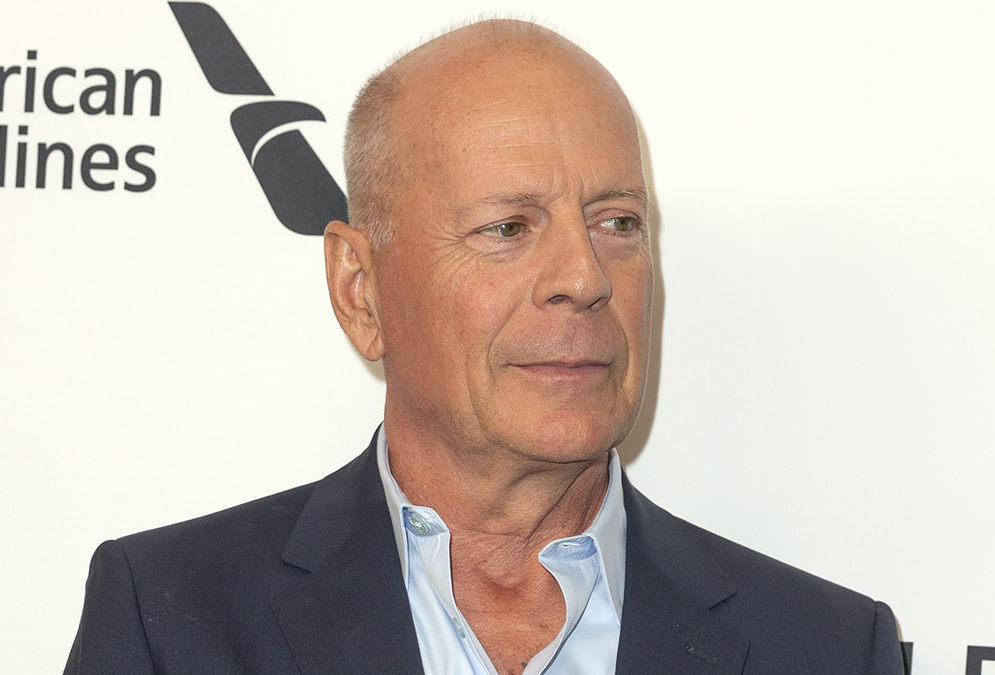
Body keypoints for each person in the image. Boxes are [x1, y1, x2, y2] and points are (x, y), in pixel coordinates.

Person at [65, 19, 904, 674]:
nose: (583, 277)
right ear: (360, 289)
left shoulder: (828, 649)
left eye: (617, 223)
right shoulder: (171, 617)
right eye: (508, 228)